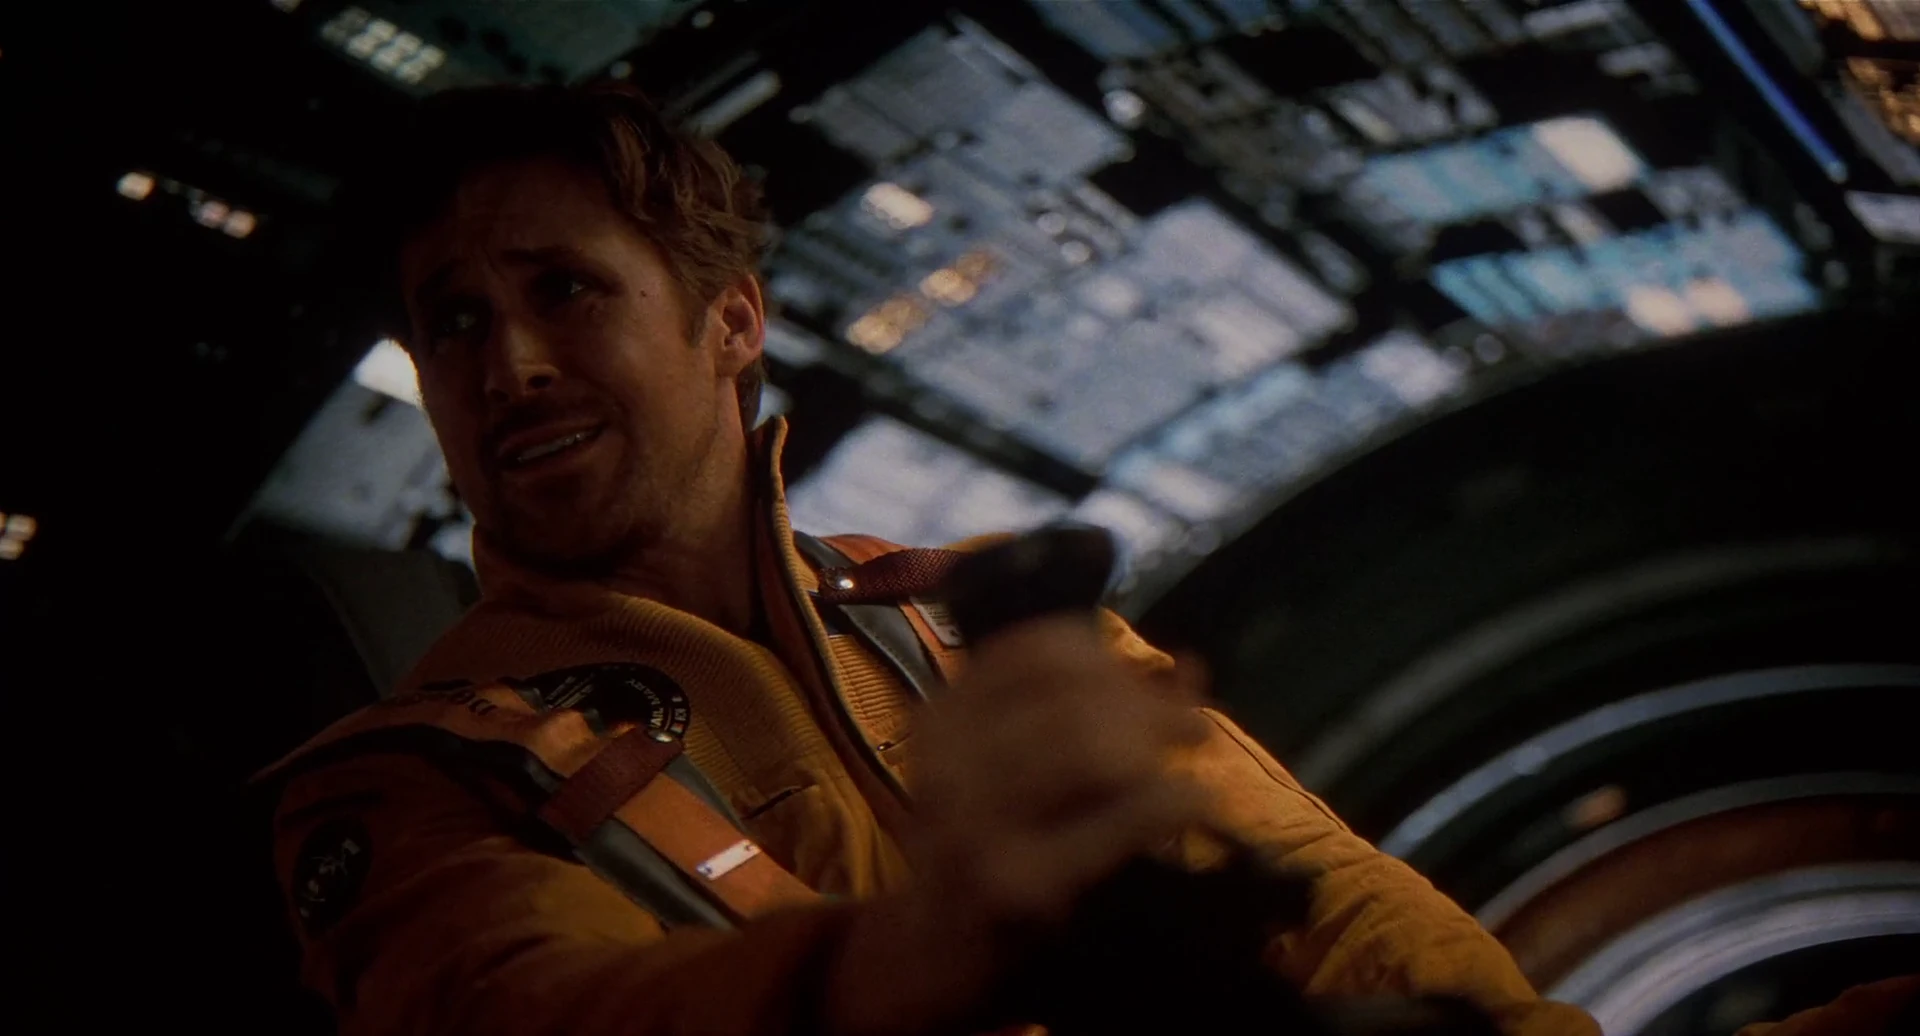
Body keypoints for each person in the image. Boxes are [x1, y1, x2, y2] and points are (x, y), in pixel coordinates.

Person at [258, 84, 1602, 1036]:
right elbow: (536, 1009)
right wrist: (910, 961)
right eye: (454, 323)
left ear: (731, 322)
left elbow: (1328, 903)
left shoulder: (979, 621)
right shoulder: (405, 787)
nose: (510, 366)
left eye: (565, 288)